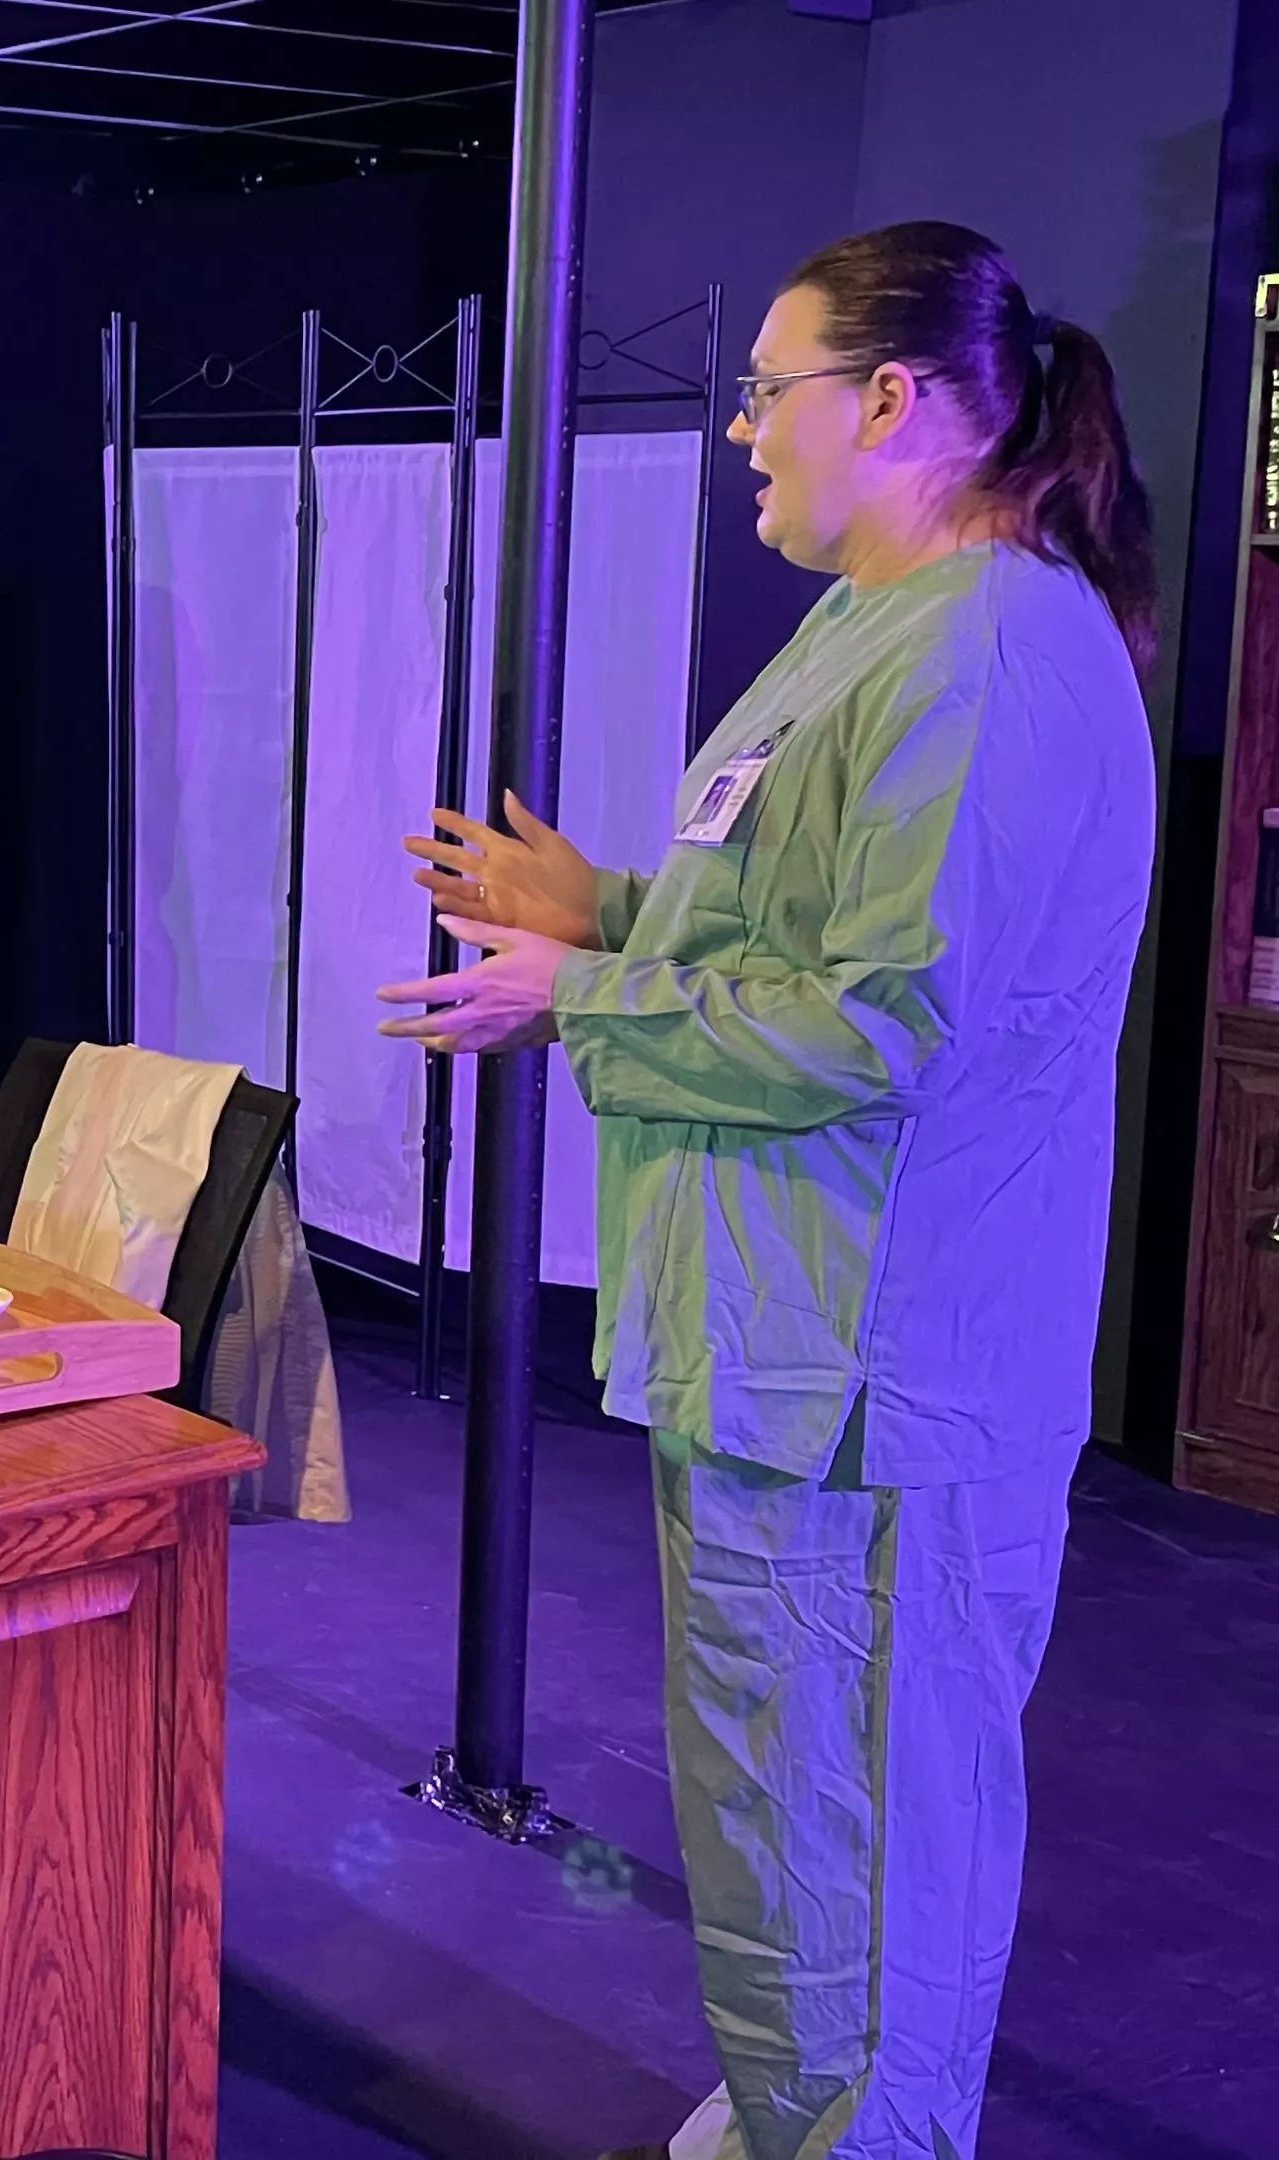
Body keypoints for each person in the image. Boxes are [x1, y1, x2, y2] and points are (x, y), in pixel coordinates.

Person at [379, 221, 1157, 2160]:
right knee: (775, 1822)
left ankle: (854, 2139)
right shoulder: (868, 626)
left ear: (888, 402)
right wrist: (609, 913)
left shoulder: (986, 653)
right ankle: (796, 2121)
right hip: (772, 1359)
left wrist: (582, 993)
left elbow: (886, 1021)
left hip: (876, 1393)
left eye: (763, 390)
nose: (740, 430)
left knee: (862, 1840)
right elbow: (796, 932)